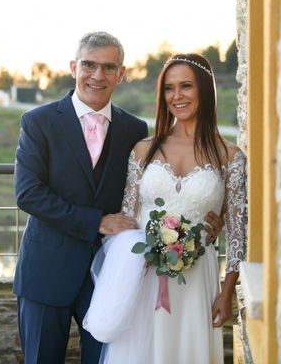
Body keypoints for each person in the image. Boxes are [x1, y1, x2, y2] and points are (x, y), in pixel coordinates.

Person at [83, 53, 247, 364]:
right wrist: (142, 254)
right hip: (144, 277)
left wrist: (227, 293)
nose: (177, 96)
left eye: (186, 86)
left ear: (205, 90)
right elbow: (128, 219)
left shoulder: (231, 157)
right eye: (169, 88)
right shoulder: (144, 150)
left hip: (198, 279)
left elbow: (237, 234)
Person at [13, 31, 148, 363]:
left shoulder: (135, 130)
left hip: (109, 278)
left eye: (108, 67)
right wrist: (97, 222)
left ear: (121, 73)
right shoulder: (38, 122)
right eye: (89, 65)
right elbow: (28, 194)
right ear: (74, 67)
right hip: (46, 272)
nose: (97, 75)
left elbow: (144, 193)